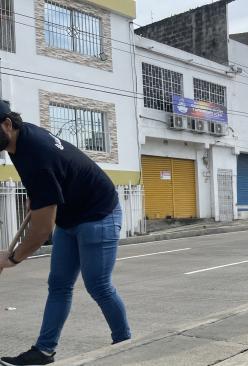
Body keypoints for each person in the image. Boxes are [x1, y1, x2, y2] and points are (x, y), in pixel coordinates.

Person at [0, 101, 130, 366]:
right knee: (59, 285)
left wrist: (11, 259)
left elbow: (42, 230)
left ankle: (126, 344)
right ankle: (44, 351)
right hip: (71, 215)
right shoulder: (19, 140)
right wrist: (37, 197)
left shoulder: (35, 154)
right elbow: (47, 184)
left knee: (99, 286)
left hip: (98, 213)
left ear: (7, 124)